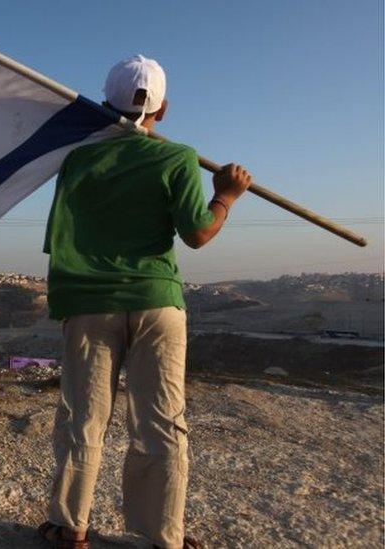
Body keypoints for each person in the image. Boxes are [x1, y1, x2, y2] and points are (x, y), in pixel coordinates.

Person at [38, 55, 254, 549]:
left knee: (84, 417)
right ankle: (164, 537)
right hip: (157, 302)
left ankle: (69, 527)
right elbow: (198, 233)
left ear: (104, 100)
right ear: (165, 109)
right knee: (160, 420)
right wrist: (227, 196)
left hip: (89, 301)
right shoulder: (177, 157)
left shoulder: (76, 158)